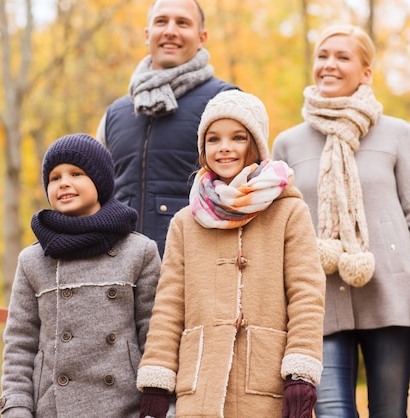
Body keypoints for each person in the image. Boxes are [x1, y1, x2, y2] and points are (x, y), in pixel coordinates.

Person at [272, 24, 410, 417]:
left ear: (366, 72)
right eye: (322, 56)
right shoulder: (287, 143)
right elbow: (281, 232)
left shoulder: (398, 134)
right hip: (318, 302)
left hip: (391, 297)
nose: (329, 65)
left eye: (342, 57)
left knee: (389, 412)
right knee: (333, 411)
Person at [135, 90, 326, 418]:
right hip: (200, 386)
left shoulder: (289, 212)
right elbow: (168, 306)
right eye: (213, 139)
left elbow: (307, 294)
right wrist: (156, 378)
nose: (224, 147)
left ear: (256, 145)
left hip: (265, 382)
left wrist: (301, 372)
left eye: (238, 137)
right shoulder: (185, 222)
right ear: (203, 148)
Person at [0, 133, 161, 417]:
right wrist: (16, 407)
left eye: (76, 173)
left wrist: (159, 403)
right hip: (52, 408)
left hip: (126, 405)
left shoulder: (139, 251)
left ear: (99, 181)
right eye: (54, 177)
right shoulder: (33, 260)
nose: (64, 182)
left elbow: (154, 334)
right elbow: (19, 344)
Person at [95, 0, 237, 257]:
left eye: (182, 23)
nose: (170, 30)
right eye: (162, 21)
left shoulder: (224, 101)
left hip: (194, 267)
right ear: (147, 34)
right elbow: (97, 199)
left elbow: (248, 191)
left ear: (201, 37)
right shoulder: (115, 113)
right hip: (120, 274)